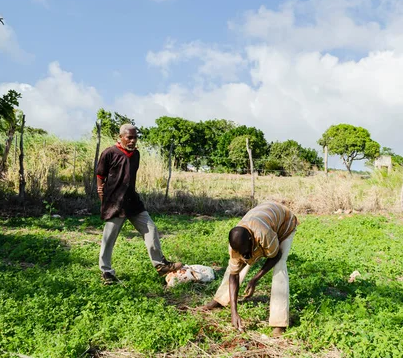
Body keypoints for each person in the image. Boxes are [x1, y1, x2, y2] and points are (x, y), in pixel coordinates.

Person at [96, 124, 182, 285]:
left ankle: (160, 265)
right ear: (120, 137)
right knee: (109, 238)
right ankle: (106, 272)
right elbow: (100, 174)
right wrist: (101, 192)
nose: (133, 140)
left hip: (132, 201)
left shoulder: (135, 155)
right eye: (129, 137)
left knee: (150, 229)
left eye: (135, 137)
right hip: (115, 203)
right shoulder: (109, 153)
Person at [202, 201, 298, 337]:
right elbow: (234, 274)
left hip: (284, 223)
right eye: (240, 252)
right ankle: (220, 299)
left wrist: (254, 279)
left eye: (246, 250)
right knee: (234, 267)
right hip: (263, 219)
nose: (244, 255)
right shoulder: (236, 244)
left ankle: (279, 323)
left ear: (251, 239)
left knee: (280, 267)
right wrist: (234, 313)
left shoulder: (263, 234)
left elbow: (276, 256)